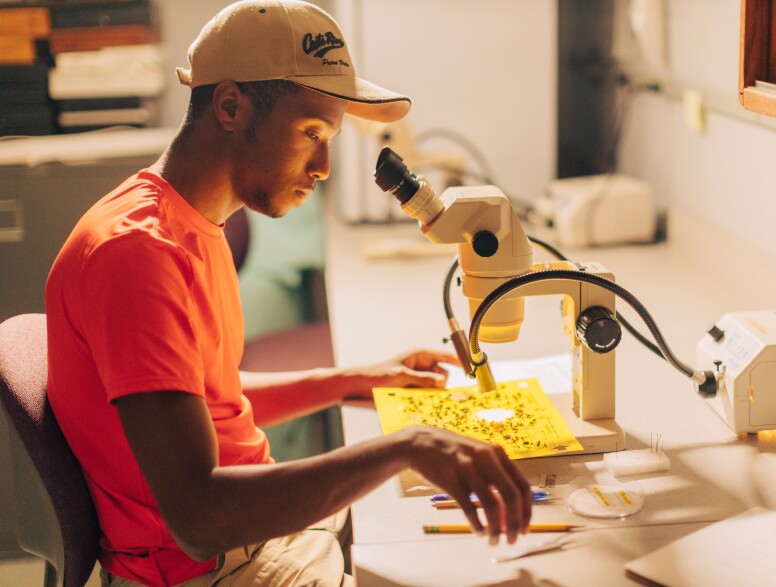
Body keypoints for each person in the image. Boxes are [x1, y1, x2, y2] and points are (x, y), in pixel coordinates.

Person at [45, 1, 532, 586]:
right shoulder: (136, 255)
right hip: (212, 569)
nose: (324, 165)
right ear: (230, 106)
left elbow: (203, 399)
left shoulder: (187, 219)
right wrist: (406, 447)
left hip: (254, 546)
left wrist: (358, 379)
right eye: (311, 133)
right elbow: (198, 517)